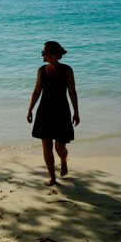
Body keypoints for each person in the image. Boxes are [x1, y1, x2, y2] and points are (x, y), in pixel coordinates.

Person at [27, 41, 80, 186]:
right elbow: (37, 91)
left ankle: (63, 160)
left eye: (44, 53)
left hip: (62, 111)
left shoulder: (67, 70)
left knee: (60, 147)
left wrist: (76, 112)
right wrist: (30, 109)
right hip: (44, 111)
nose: (42, 55)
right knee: (46, 146)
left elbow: (72, 92)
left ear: (54, 54)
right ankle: (52, 178)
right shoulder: (41, 70)